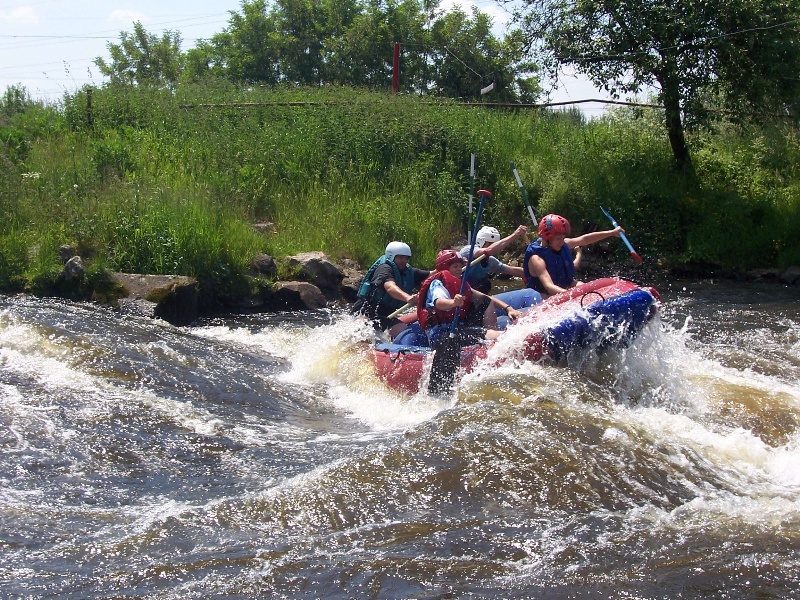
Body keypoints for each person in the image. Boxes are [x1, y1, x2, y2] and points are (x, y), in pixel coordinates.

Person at [417, 249, 522, 348]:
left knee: (485, 301)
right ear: (445, 268)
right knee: (481, 333)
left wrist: (508, 308)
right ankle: (493, 338)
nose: (459, 269)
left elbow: (484, 297)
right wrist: (453, 303)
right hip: (442, 334)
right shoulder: (437, 284)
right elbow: (438, 302)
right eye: (455, 266)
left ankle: (491, 332)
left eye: (460, 266)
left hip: (458, 327)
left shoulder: (461, 283)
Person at [522, 213, 623, 298]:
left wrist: (612, 233)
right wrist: (573, 295)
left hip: (568, 286)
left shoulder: (562, 244)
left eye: (563, 238)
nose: (562, 242)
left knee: (588, 288)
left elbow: (584, 239)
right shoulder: (536, 259)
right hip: (547, 297)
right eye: (558, 238)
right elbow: (549, 286)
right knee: (582, 293)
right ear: (547, 238)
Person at [352, 241, 430, 339]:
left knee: (405, 334)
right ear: (391, 256)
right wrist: (408, 298)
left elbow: (432, 274)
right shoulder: (384, 269)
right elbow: (390, 287)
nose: (404, 260)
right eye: (400, 257)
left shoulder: (408, 271)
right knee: (363, 331)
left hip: (387, 315)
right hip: (366, 312)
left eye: (406, 258)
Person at [458, 225, 528, 293]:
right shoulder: (468, 250)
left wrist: (531, 272)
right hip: (459, 293)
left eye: (495, 244)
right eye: (490, 243)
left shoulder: (491, 261)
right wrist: (514, 235)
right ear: (481, 241)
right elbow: (488, 251)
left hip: (476, 296)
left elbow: (514, 271)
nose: (494, 247)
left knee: (485, 284)